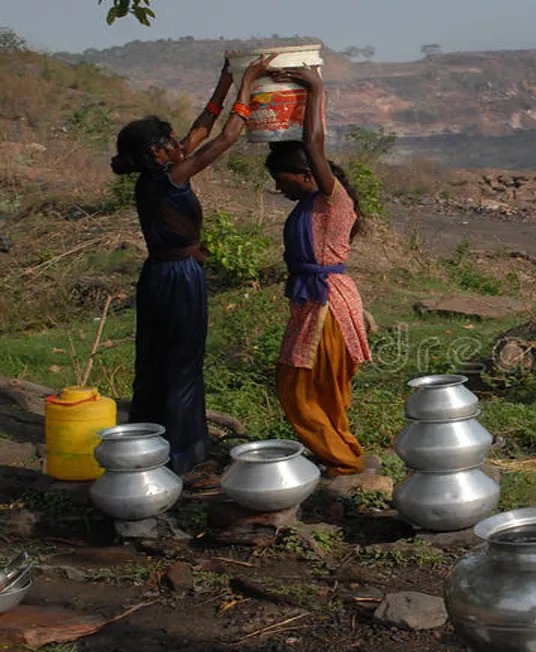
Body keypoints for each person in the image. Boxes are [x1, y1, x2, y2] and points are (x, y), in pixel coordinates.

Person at [110, 53, 275, 475]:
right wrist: (250, 85)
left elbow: (203, 127)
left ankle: (152, 442)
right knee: (183, 362)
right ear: (156, 151)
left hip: (158, 276)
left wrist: (225, 81)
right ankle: (182, 454)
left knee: (156, 360)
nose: (179, 144)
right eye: (170, 140)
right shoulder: (170, 179)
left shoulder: (160, 176)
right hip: (179, 280)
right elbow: (225, 138)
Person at [264, 65, 372, 477]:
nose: (280, 188)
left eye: (283, 180)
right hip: (313, 300)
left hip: (328, 303)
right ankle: (340, 451)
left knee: (303, 385)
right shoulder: (306, 206)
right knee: (319, 387)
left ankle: (343, 459)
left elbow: (313, 143)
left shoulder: (332, 200)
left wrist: (314, 89)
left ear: (309, 174)